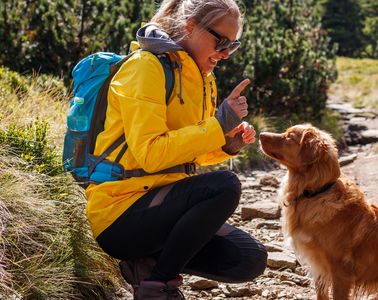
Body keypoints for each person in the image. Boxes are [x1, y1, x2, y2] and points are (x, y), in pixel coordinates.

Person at [86, 0, 267, 298]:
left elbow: (186, 154)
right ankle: (158, 285)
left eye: (232, 46)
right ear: (190, 27)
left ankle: (147, 263)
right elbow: (151, 154)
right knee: (225, 186)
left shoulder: (203, 79)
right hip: (121, 213)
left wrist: (227, 143)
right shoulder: (145, 68)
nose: (224, 54)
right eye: (221, 41)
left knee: (249, 257)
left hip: (164, 207)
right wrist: (218, 124)